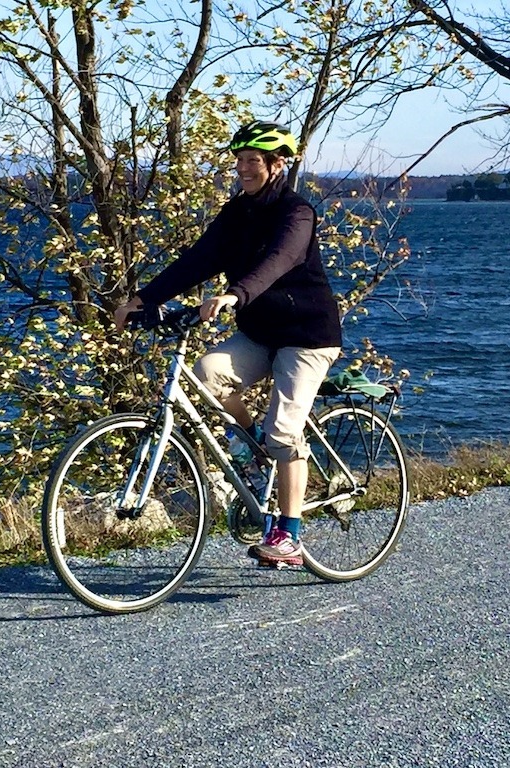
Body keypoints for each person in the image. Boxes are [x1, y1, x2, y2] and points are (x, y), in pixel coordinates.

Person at [114, 120, 342, 567]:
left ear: (277, 165)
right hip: (260, 333)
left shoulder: (297, 213)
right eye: (238, 161)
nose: (242, 169)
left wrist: (236, 294)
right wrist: (143, 299)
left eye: (252, 161)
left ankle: (288, 535)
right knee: (207, 376)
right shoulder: (237, 212)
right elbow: (198, 260)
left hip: (307, 337)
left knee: (284, 431)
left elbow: (278, 261)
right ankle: (257, 447)